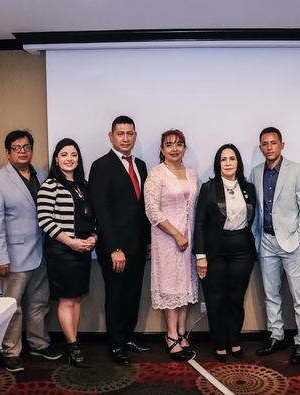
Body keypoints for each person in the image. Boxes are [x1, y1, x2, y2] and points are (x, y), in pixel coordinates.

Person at [0, 130, 62, 373]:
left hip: (42, 251)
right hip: (14, 256)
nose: (22, 151)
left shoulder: (42, 173)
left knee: (39, 303)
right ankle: (11, 351)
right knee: (12, 307)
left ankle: (39, 343)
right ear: (8, 152)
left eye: (26, 147)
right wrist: (0, 258)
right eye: (16, 148)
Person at [89, 115, 152, 366]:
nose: (125, 138)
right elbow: (101, 210)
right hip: (115, 247)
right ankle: (115, 344)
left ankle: (128, 337)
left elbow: (144, 208)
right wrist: (114, 247)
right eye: (120, 133)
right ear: (111, 136)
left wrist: (147, 242)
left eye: (130, 133)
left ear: (135, 136)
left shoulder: (142, 165)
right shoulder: (101, 165)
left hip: (138, 245)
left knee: (133, 293)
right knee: (116, 294)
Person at [250, 127, 300, 365]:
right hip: (266, 241)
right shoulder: (256, 172)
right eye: (265, 144)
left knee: (299, 296)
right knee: (271, 294)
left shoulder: (298, 171)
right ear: (260, 148)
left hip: (291, 243)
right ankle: (276, 336)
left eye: (273, 143)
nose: (269, 147)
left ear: (282, 145)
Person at [193, 144, 257, 362]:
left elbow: (252, 219)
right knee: (216, 298)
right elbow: (199, 223)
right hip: (214, 250)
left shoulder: (249, 187)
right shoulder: (209, 188)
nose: (228, 163)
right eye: (223, 159)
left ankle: (234, 340)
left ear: (238, 162)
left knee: (235, 299)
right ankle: (219, 343)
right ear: (217, 163)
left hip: (242, 250)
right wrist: (200, 255)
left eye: (232, 158)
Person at [37, 138, 97, 368]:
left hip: (83, 250)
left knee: (77, 297)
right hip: (62, 251)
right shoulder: (49, 185)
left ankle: (75, 341)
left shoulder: (84, 185)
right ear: (56, 159)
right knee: (66, 299)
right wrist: (71, 242)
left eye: (73, 154)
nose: (69, 159)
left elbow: (93, 218)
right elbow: (45, 220)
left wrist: (94, 237)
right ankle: (72, 345)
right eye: (64, 155)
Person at [144, 129, 198, 361]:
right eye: (169, 144)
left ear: (184, 147)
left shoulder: (192, 174)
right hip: (167, 240)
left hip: (190, 239)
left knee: (185, 286)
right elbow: (151, 210)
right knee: (170, 286)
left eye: (179, 144)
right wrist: (176, 235)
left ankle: (182, 332)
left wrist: (187, 236)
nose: (174, 148)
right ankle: (170, 334)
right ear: (162, 149)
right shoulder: (157, 174)